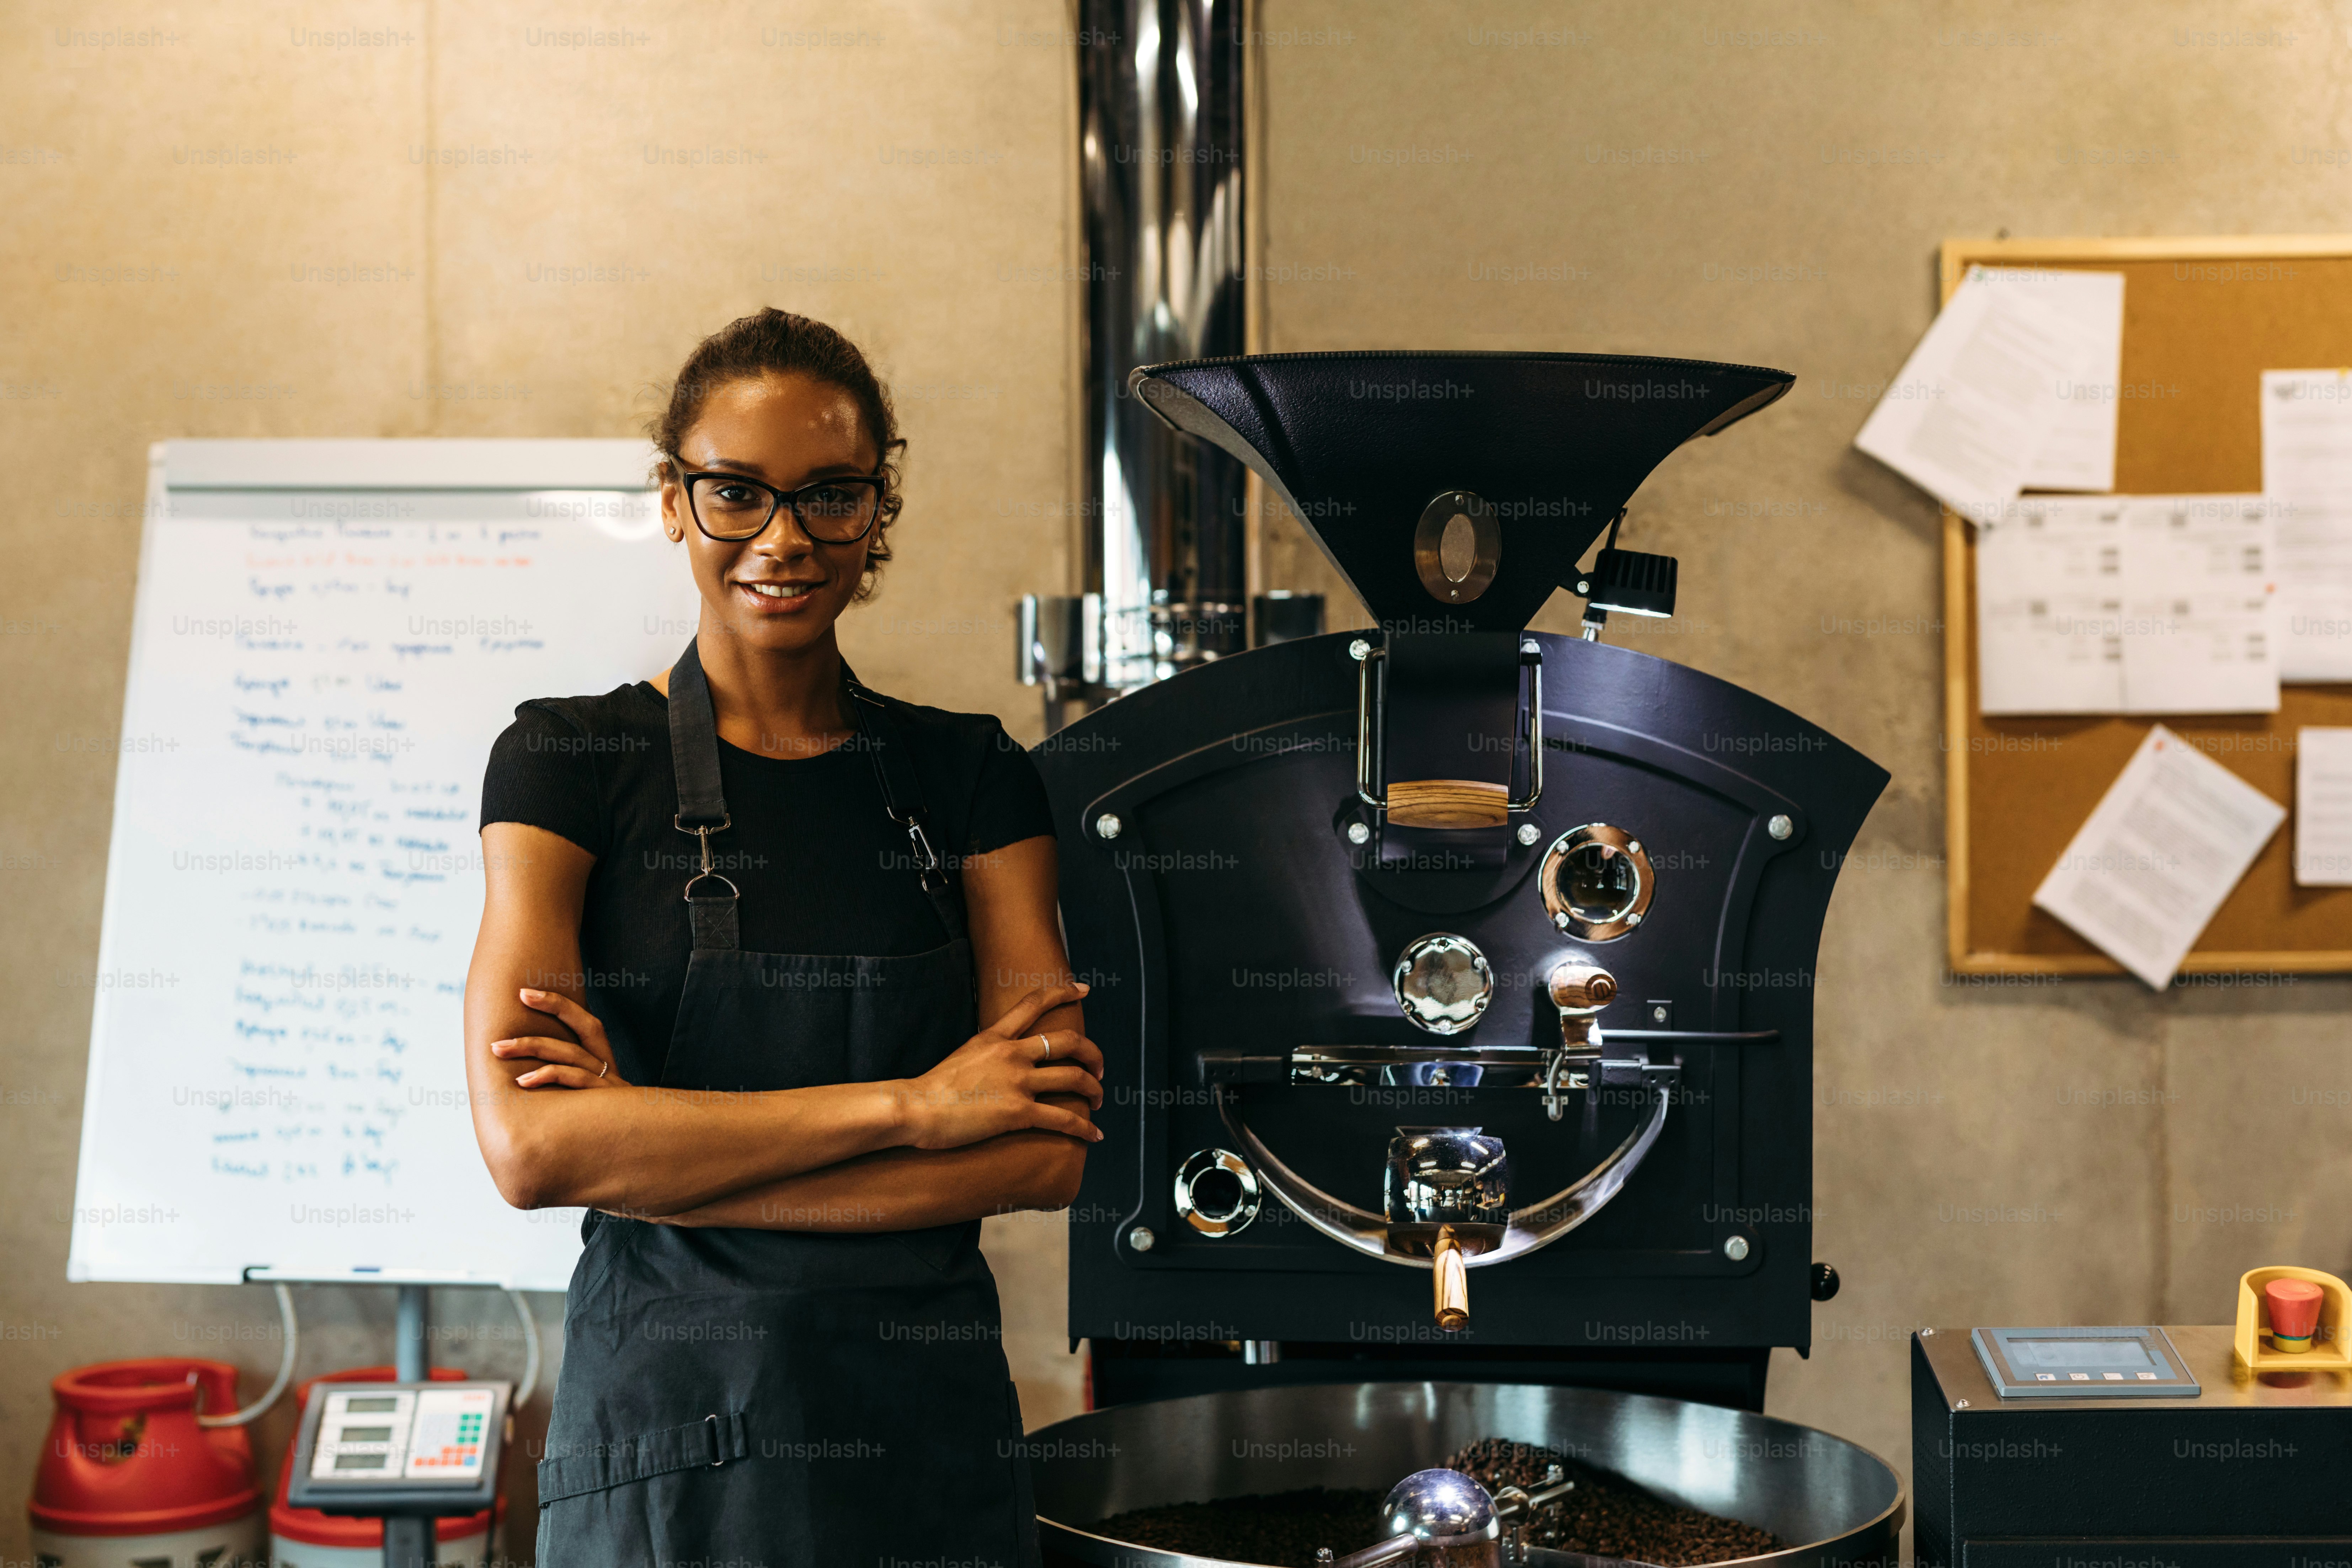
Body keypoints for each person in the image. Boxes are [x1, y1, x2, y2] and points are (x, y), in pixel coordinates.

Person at [462, 308, 1099, 1566]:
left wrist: (657, 1147)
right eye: (737, 494)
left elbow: (1042, 1154)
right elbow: (535, 1147)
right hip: (665, 1461)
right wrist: (917, 1108)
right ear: (673, 500)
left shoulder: (968, 776)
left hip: (925, 1449)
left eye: (830, 497)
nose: (785, 539)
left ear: (879, 506)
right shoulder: (566, 763)